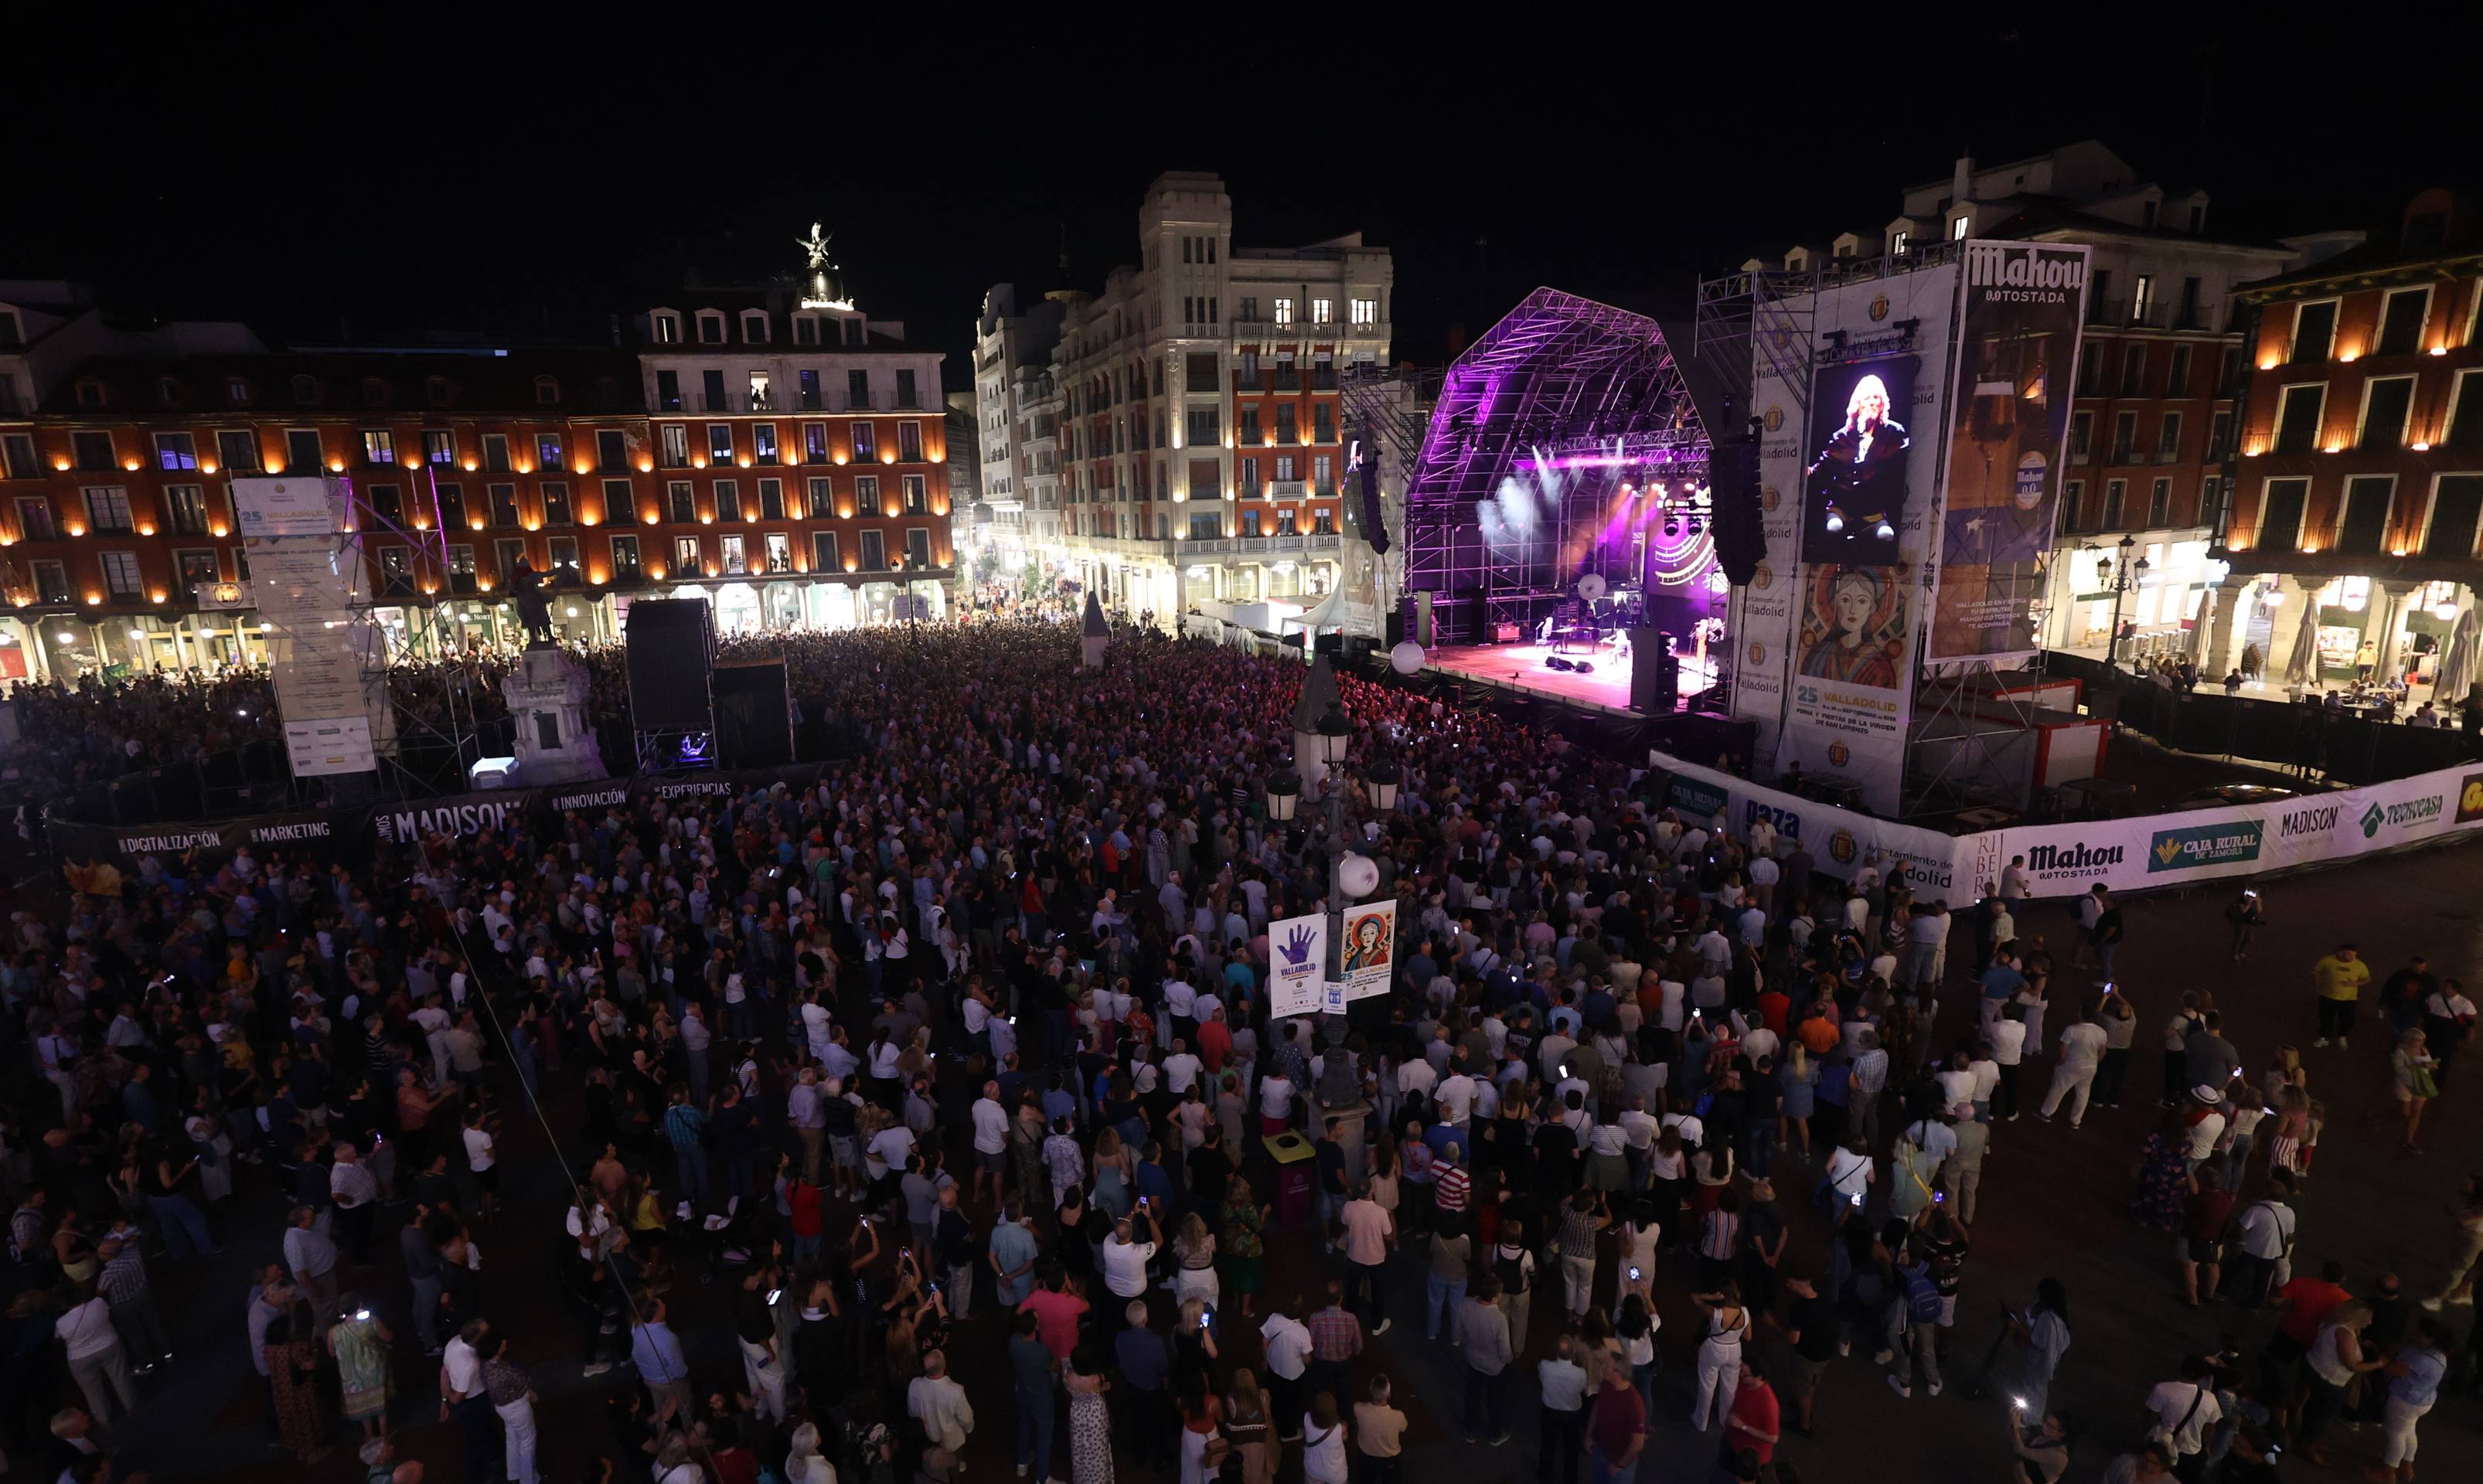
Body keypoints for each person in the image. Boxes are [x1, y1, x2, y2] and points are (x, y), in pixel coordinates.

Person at [2376, 1316, 2451, 1482]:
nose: (2414, 1333)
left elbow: (2394, 1371)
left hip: (2406, 1401)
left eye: (2419, 1332)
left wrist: (2383, 1362)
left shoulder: (2422, 1360)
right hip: (2424, 1400)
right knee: (2409, 1431)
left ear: (2428, 1337)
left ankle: (2388, 1472)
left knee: (2396, 1434)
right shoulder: (2438, 1354)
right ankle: (2406, 1467)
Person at [1686, 1279, 1751, 1431]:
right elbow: (1748, 1337)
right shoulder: (1745, 1313)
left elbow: (1694, 1297)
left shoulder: (1715, 1313)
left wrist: (1710, 1297)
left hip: (1714, 1349)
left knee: (1707, 1385)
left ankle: (1701, 1421)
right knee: (1730, 1387)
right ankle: (1725, 1419)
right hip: (1734, 1350)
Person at [329, 1295, 394, 1440]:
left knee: (363, 1404)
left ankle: (369, 1434)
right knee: (379, 1400)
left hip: (350, 1376)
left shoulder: (334, 1331)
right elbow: (388, 1337)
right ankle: (384, 1432)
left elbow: (332, 1353)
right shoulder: (371, 1321)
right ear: (360, 1306)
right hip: (373, 1369)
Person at [1587, 1355, 1648, 1484]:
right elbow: (1598, 1406)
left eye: (1606, 1366)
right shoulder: (1606, 1384)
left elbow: (1638, 1443)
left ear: (1618, 1373)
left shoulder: (1634, 1404)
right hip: (1600, 1450)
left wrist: (1620, 1464)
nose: (1602, 1367)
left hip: (1619, 1463)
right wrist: (1589, 1435)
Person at [1538, 1334, 1589, 1482]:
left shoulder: (1545, 1366)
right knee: (1571, 1449)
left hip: (1550, 1410)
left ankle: (1544, 1474)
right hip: (1572, 1414)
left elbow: (1541, 1378)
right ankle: (1570, 1478)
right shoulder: (1580, 1374)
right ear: (1573, 1353)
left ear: (1555, 1350)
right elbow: (1583, 1389)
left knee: (1548, 1445)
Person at [2311, 942, 2370, 1049]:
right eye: (2349, 955)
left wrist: (2355, 983)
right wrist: (2319, 988)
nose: (2353, 957)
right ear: (2340, 952)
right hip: (2327, 996)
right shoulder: (2327, 961)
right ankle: (2324, 1037)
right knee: (2326, 1018)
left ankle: (2342, 1035)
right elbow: (2318, 972)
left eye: (2354, 955)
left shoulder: (2359, 965)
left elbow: (2367, 978)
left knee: (2348, 1019)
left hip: (2349, 999)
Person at [1351, 1373, 1405, 1484]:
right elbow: (1403, 1428)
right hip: (1390, 1458)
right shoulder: (1398, 1416)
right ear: (1389, 1394)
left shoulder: (1358, 1409)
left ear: (1371, 1390)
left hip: (1367, 1457)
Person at [1300, 1391, 1348, 1484]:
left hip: (1313, 1468)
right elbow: (1345, 1438)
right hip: (1335, 1472)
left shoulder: (1307, 1419)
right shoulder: (1341, 1429)